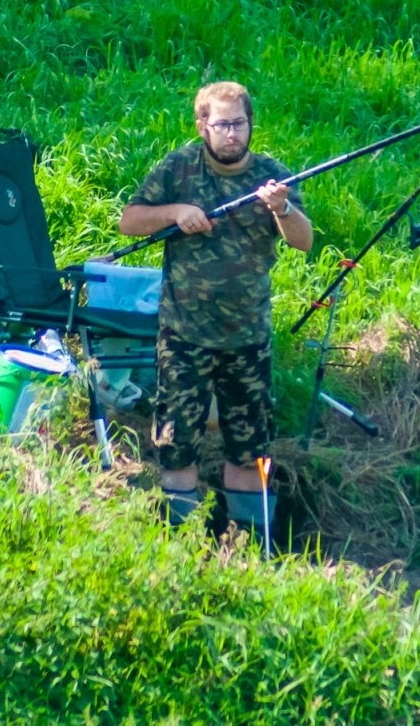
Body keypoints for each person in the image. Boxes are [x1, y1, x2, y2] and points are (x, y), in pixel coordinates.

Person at [119, 81, 313, 541]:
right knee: (176, 444)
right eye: (222, 124)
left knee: (250, 449)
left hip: (248, 339)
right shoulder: (179, 168)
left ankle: (247, 542)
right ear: (202, 125)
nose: (232, 134)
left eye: (239, 124)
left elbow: (304, 242)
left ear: (250, 125)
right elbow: (129, 221)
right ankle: (182, 540)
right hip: (184, 335)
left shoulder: (272, 177)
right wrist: (174, 213)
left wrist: (282, 209)